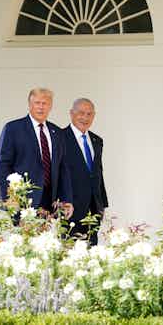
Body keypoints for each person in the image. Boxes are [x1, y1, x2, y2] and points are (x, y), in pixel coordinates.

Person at [0, 88, 73, 216]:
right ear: (30, 105)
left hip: (50, 203)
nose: (41, 107)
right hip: (20, 202)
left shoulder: (57, 133)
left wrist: (66, 200)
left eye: (45, 103)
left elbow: (63, 169)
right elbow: (3, 164)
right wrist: (10, 197)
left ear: (50, 106)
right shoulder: (13, 129)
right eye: (37, 103)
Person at [63, 98, 108, 245]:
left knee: (91, 255)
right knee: (70, 256)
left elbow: (98, 173)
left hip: (93, 209)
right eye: (81, 113)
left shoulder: (97, 140)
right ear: (71, 114)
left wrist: (102, 204)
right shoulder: (60, 138)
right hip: (70, 209)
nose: (85, 118)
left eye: (89, 114)